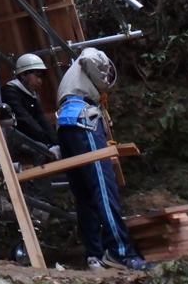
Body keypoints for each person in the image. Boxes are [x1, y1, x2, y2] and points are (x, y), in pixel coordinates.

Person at [55, 47, 153, 271]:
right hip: (83, 120)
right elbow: (90, 57)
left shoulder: (71, 80)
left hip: (66, 125)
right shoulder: (90, 58)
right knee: (103, 187)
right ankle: (121, 253)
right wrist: (103, 84)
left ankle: (95, 255)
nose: (106, 80)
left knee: (85, 196)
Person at [0, 53, 61, 209]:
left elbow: (42, 120)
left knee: (41, 151)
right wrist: (46, 143)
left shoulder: (33, 96)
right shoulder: (10, 92)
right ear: (23, 74)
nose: (40, 80)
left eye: (42, 76)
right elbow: (24, 119)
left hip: (24, 139)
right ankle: (10, 198)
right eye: (37, 75)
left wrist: (55, 143)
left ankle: (43, 204)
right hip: (7, 138)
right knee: (39, 148)